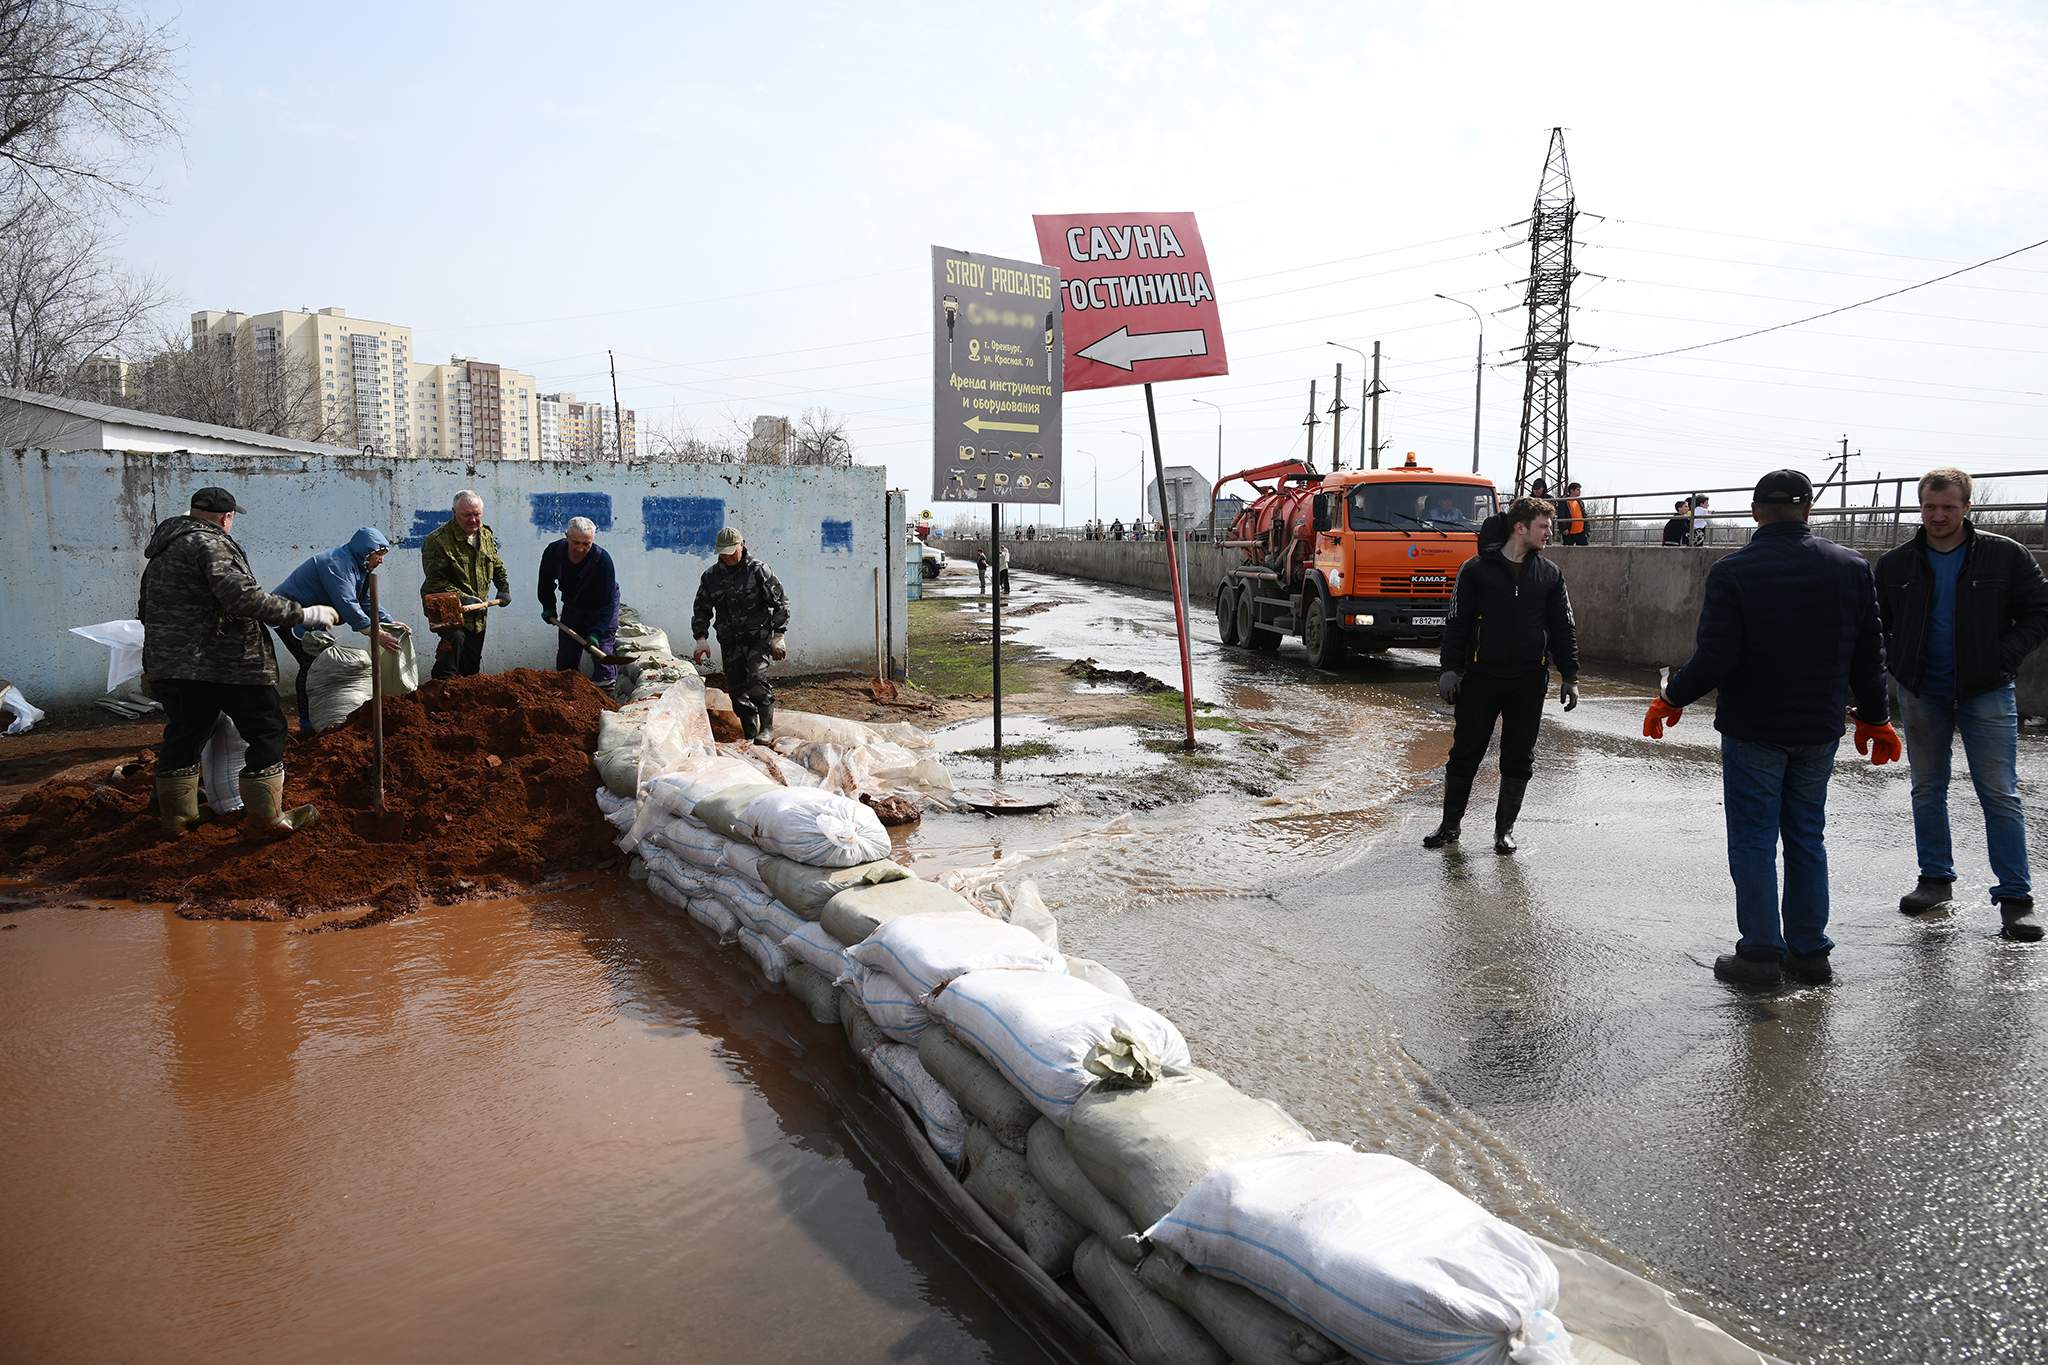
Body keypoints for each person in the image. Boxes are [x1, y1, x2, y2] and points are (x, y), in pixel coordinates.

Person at [1644, 469, 1900, 988]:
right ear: (1808, 510)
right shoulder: (1850, 567)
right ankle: (1809, 953)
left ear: (1756, 511)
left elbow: (1717, 655)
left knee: (1755, 839)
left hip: (1753, 726)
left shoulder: (1735, 570)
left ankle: (1760, 954)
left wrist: (1673, 698)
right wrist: (1876, 717)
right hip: (1818, 726)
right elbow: (1869, 656)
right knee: (1807, 835)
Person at [1877, 467, 2048, 941]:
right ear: (1920, 506)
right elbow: (1878, 623)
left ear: (1968, 507)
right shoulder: (1897, 564)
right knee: (1927, 788)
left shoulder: (2004, 555)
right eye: (1930, 507)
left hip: (1987, 689)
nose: (1938, 516)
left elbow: (2039, 612)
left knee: (1999, 793)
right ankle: (1935, 881)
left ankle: (2016, 898)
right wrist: (1897, 663)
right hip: (1921, 691)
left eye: (1948, 507)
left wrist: (2003, 657)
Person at [140, 487, 340, 838]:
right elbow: (241, 598)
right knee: (267, 729)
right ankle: (266, 819)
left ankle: (177, 819)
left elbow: (146, 610)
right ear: (226, 518)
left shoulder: (163, 550)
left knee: (185, 732)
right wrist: (302, 613)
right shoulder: (210, 544)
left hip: (173, 664)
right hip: (225, 662)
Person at [1425, 496, 1579, 855]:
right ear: (1520, 527)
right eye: (1543, 527)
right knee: (1466, 752)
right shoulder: (1475, 569)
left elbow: (1564, 628)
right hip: (1481, 678)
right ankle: (1449, 827)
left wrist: (1570, 675)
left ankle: (1504, 832)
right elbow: (1457, 622)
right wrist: (1449, 669)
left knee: (1519, 756)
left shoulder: (1550, 575)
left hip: (1529, 680)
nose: (1549, 534)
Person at [271, 528, 406, 733]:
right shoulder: (337, 564)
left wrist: (390, 623)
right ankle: (307, 722)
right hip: (289, 616)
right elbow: (347, 603)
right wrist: (374, 633)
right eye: (378, 555)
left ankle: (322, 716)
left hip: (314, 619)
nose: (381, 561)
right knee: (310, 664)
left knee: (317, 662)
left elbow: (367, 601)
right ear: (366, 553)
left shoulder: (358, 567)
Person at [691, 527, 790, 741]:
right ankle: (750, 732)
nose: (726, 557)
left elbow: (780, 603)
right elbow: (702, 609)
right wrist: (701, 639)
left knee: (756, 679)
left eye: (730, 551)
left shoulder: (758, 571)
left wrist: (779, 636)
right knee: (736, 691)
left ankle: (766, 729)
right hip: (730, 641)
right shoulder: (711, 576)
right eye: (722, 552)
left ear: (741, 545)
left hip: (757, 638)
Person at [419, 490, 511, 680]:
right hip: (446, 607)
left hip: (477, 611)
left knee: (471, 664)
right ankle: (440, 690)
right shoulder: (437, 541)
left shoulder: (485, 535)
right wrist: (462, 597)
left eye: (476, 514)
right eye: (466, 515)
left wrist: (503, 587)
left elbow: (496, 563)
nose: (473, 520)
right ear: (454, 513)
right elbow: (435, 581)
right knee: (454, 644)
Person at [539, 515, 621, 687]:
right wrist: (548, 607)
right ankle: (570, 696)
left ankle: (605, 690)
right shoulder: (554, 552)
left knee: (602, 652)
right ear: (566, 537)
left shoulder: (603, 561)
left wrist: (596, 632)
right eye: (576, 543)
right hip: (574, 604)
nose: (581, 548)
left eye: (586, 544)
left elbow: (607, 604)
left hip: (601, 606)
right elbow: (545, 583)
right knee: (566, 658)